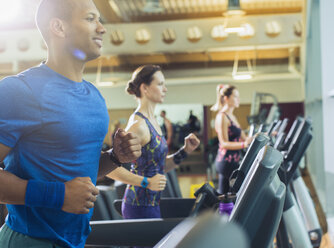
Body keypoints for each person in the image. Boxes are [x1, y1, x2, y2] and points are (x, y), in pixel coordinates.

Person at [0, 0, 143, 247]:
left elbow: (77, 172)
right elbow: (64, 190)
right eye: (90, 19)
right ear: (59, 27)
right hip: (29, 240)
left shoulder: (94, 96)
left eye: (100, 19)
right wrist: (59, 195)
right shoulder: (19, 91)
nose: (102, 28)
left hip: (74, 240)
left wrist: (115, 157)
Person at [110, 65, 200, 220]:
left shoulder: (153, 122)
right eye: (160, 84)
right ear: (145, 88)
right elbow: (110, 168)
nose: (165, 89)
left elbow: (159, 166)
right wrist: (146, 182)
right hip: (138, 206)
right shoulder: (139, 125)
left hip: (152, 203)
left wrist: (185, 151)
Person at [211, 84, 252, 194]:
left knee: (227, 196)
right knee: (234, 195)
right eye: (235, 96)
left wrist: (267, 134)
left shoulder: (233, 117)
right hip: (226, 162)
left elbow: (245, 138)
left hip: (233, 161)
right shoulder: (222, 117)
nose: (238, 99)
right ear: (226, 98)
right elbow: (224, 143)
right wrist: (244, 145)